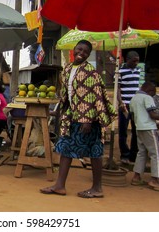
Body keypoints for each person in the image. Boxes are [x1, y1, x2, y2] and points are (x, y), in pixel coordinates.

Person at [40, 40, 116, 198]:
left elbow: (93, 94)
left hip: (88, 119)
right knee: (66, 147)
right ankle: (60, 186)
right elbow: (68, 93)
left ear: (89, 55)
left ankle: (97, 188)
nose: (82, 52)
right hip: (72, 116)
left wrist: (87, 119)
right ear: (74, 49)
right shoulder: (68, 68)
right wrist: (61, 111)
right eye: (80, 49)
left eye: (86, 51)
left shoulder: (90, 71)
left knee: (95, 151)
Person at [129, 81, 159, 191]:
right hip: (148, 128)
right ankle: (154, 180)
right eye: (154, 92)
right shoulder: (147, 98)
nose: (154, 94)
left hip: (139, 127)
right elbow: (152, 114)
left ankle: (137, 177)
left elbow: (136, 115)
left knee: (141, 152)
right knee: (156, 154)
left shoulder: (134, 98)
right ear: (150, 90)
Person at [118, 51, 141, 164]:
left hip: (136, 105)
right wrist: (120, 102)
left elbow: (138, 86)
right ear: (128, 59)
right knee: (123, 131)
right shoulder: (120, 71)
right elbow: (117, 88)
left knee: (136, 131)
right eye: (134, 61)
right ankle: (124, 154)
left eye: (137, 61)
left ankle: (133, 154)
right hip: (125, 105)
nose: (136, 63)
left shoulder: (138, 70)